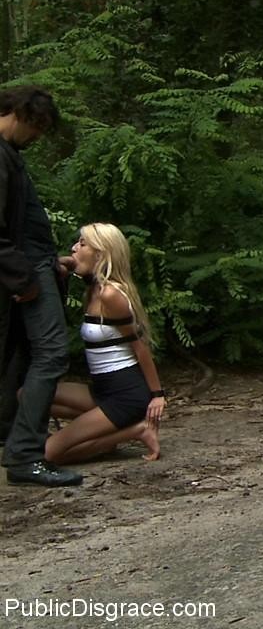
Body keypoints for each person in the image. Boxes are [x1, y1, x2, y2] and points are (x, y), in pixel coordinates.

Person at [0, 85, 83, 486]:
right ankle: (25, 455)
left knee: (22, 353)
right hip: (25, 273)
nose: (37, 136)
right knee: (51, 354)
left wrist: (52, 261)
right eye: (36, 126)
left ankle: (14, 439)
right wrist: (24, 276)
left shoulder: (10, 155)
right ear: (16, 113)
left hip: (33, 267)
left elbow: (21, 225)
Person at [46, 223, 165, 463]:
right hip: (101, 389)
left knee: (46, 454)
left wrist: (158, 394)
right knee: (28, 396)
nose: (74, 248)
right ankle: (103, 429)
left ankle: (135, 430)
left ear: (101, 253)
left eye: (82, 243)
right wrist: (65, 264)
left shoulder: (111, 295)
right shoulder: (92, 290)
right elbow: (61, 267)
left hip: (125, 395)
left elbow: (140, 347)